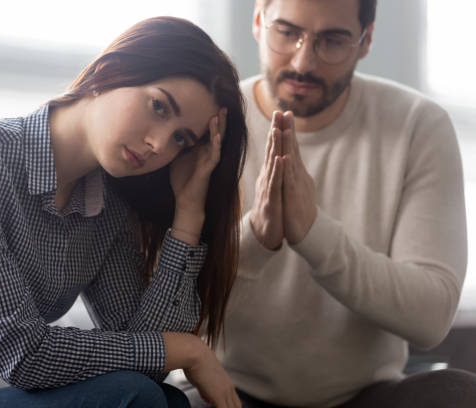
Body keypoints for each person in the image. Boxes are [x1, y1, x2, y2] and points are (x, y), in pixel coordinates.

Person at [0, 16, 248, 408]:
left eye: (181, 140)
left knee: (162, 399)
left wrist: (188, 215)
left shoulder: (108, 212)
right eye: (159, 107)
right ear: (109, 72)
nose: (158, 144)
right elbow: (23, 355)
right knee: (135, 398)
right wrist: (191, 351)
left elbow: (147, 361)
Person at [200, 0, 476, 407]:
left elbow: (431, 317)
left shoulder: (418, 125)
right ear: (259, 21)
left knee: (457, 394)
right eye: (287, 32)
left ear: (366, 41)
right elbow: (171, 312)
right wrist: (257, 235)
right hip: (225, 392)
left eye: (332, 40)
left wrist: (313, 233)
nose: (303, 61)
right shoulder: (211, 125)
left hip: (366, 396)